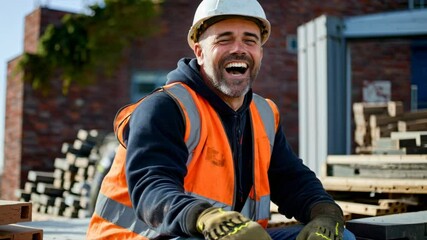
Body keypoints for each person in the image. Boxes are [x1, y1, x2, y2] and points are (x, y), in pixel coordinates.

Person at [87, 0, 356, 239]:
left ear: (260, 53)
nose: (238, 49)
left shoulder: (263, 114)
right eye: (224, 39)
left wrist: (323, 211)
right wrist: (205, 218)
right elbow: (153, 187)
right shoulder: (166, 108)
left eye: (250, 40)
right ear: (200, 52)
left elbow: (291, 180)